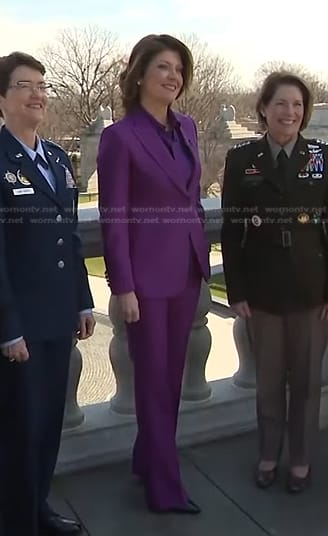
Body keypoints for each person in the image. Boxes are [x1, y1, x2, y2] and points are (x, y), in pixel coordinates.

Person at [97, 34, 210, 513]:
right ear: (139, 73)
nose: (173, 77)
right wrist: (122, 285)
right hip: (144, 279)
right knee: (154, 382)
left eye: (179, 69)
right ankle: (165, 488)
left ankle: (147, 459)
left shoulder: (186, 126)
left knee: (173, 378)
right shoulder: (119, 137)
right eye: (163, 67)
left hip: (186, 268)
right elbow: (113, 214)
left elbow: (190, 195)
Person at [0, 52, 95, 536]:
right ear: (2, 99)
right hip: (20, 328)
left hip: (59, 317)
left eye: (42, 85)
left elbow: (71, 235)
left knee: (49, 427)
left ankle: (38, 509)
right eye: (24, 85)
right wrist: (8, 327)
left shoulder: (57, 158)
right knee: (19, 431)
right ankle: (18, 521)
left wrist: (82, 298)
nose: (38, 93)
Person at [221, 71, 328, 493]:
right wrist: (238, 291)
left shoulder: (321, 157)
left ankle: (300, 459)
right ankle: (268, 454)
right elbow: (231, 230)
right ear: (264, 109)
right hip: (262, 290)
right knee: (267, 382)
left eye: (298, 105)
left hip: (310, 288)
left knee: (305, 383)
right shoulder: (241, 159)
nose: (290, 112)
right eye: (281, 104)